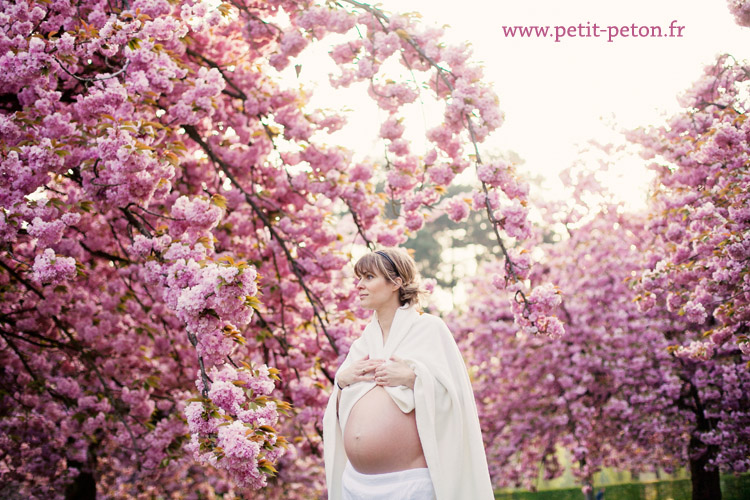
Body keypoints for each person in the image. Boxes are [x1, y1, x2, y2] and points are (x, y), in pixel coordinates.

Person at [323, 248, 494, 500]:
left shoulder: (430, 329)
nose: (359, 285)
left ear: (396, 282)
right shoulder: (362, 343)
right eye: (358, 278)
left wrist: (414, 378)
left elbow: (456, 399)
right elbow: (342, 409)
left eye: (369, 277)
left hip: (408, 484)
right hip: (355, 483)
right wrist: (342, 382)